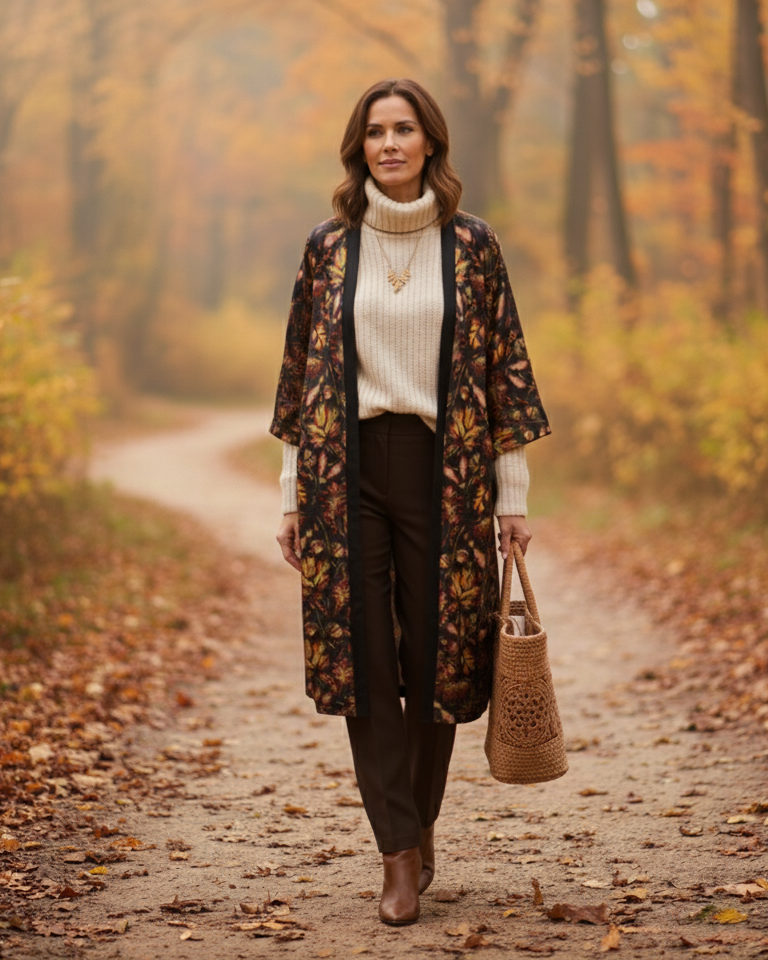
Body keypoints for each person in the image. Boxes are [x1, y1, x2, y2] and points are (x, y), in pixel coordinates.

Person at [271, 78, 550, 926]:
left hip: (446, 473)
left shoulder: (472, 245)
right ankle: (396, 849)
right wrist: (290, 495)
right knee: (365, 663)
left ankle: (421, 819)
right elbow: (302, 375)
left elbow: (503, 372)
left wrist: (511, 498)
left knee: (441, 660)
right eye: (374, 131)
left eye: (403, 129)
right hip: (344, 473)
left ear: (430, 141)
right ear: (358, 147)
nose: (388, 143)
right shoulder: (328, 246)